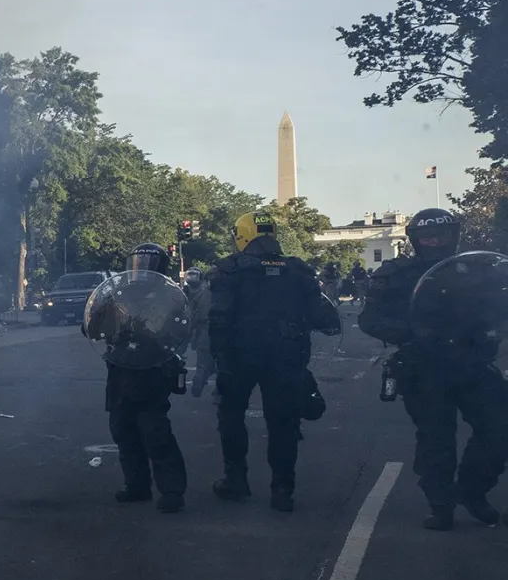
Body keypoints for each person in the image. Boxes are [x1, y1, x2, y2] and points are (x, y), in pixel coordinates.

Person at [360, 208, 508, 530]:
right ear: (415, 239)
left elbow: (501, 304)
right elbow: (369, 319)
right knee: (436, 440)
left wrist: (492, 327)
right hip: (425, 366)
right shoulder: (396, 273)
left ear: (453, 236)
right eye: (428, 236)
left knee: (499, 429)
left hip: (473, 363)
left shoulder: (480, 268)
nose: (435, 241)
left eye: (441, 235)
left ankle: (472, 491)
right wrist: (411, 332)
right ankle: (440, 505)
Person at [208, 212, 330, 512]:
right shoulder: (297, 269)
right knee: (284, 421)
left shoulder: (229, 269)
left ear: (242, 235)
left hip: (240, 354)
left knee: (231, 415)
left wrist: (219, 358)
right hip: (286, 354)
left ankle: (236, 480)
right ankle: (282, 489)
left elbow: (218, 318)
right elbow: (324, 317)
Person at [85, 243, 189, 513]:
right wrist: (97, 313)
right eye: (137, 262)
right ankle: (136, 485)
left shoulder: (170, 295)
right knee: (123, 430)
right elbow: (93, 329)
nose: (141, 268)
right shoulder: (119, 292)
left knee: (156, 432)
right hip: (121, 368)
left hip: (152, 369)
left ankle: (172, 490)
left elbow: (180, 330)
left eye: (148, 263)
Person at [184, 269, 214, 397]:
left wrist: (190, 332)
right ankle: (218, 392)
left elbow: (193, 316)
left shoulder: (203, 295)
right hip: (222, 331)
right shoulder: (229, 293)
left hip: (204, 330)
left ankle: (199, 381)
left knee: (202, 362)